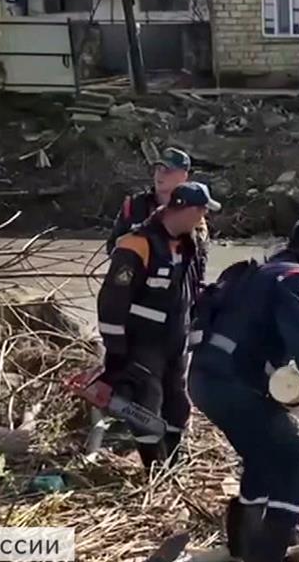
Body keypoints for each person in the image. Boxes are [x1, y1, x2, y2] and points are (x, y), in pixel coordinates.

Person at [188, 217, 299, 562]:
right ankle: (267, 555)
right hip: (233, 384)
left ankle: (243, 550)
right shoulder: (296, 278)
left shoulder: (255, 272)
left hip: (202, 381)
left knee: (262, 457)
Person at [96, 181, 221, 467]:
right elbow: (111, 306)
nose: (204, 218)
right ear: (186, 210)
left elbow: (192, 292)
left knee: (178, 408)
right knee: (146, 410)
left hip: (175, 344)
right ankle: (154, 471)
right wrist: (115, 360)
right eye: (202, 210)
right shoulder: (137, 245)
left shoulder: (191, 243)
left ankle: (172, 466)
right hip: (143, 345)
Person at [107, 147, 209, 295]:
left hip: (176, 295)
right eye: (158, 169)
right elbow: (112, 246)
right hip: (137, 292)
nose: (160, 175)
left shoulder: (191, 212)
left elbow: (199, 263)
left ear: (183, 176)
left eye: (168, 170)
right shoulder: (134, 205)